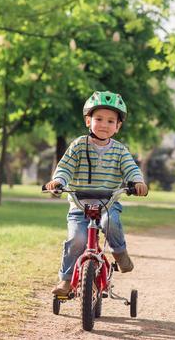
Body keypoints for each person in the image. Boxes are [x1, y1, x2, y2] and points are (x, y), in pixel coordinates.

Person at [44, 90, 148, 296]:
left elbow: (131, 168)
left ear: (118, 126)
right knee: (76, 240)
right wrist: (58, 181)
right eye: (98, 119)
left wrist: (137, 181)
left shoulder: (120, 150)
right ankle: (65, 280)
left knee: (111, 223)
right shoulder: (79, 145)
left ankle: (119, 253)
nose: (103, 124)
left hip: (107, 204)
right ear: (88, 121)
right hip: (79, 205)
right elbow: (65, 167)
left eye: (111, 121)